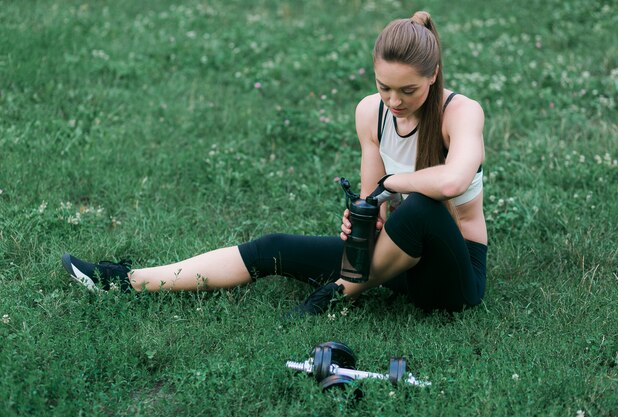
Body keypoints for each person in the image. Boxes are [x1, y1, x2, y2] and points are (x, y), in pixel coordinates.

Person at [61, 10, 487, 316]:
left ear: (433, 75)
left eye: (408, 91)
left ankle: (339, 292)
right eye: (384, 87)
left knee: (420, 206)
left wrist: (394, 184)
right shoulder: (370, 112)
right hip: (395, 262)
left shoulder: (461, 112)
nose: (394, 101)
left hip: (451, 276)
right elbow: (371, 198)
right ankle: (127, 281)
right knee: (272, 247)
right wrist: (361, 220)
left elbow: (452, 181)